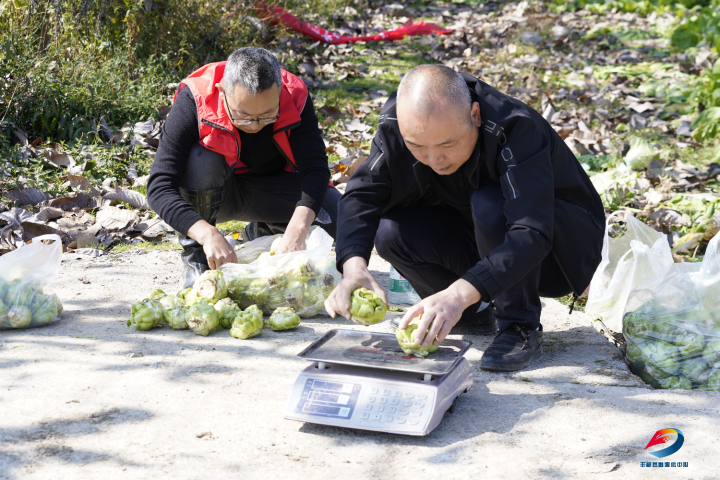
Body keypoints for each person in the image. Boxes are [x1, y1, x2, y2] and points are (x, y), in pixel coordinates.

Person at [325, 65, 604, 372]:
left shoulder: (515, 128)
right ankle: (471, 312)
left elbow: (531, 232)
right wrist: (353, 268)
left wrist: (457, 294)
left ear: (474, 115)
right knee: (391, 231)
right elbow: (363, 193)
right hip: (474, 233)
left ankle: (519, 325)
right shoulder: (400, 121)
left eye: (447, 145)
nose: (433, 160)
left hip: (554, 251)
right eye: (416, 146)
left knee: (489, 202)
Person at [147, 47, 339, 288]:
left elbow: (316, 169)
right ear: (222, 91)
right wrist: (208, 235)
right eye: (243, 116)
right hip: (216, 193)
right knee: (201, 159)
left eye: (268, 114)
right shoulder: (196, 97)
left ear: (279, 90)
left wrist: (297, 231)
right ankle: (197, 260)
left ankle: (264, 235)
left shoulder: (295, 94)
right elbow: (159, 187)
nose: (255, 125)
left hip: (272, 191)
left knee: (340, 219)